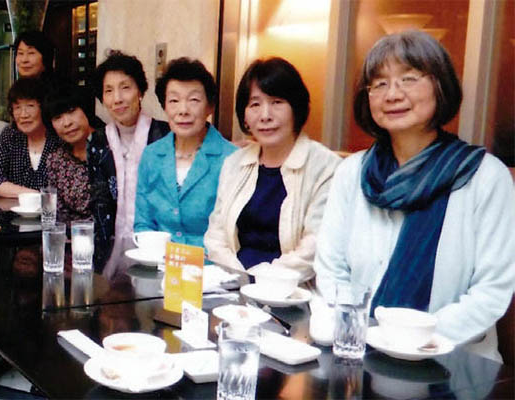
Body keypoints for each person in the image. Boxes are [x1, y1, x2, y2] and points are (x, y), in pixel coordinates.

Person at [314, 31, 515, 361]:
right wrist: (360, 330)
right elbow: (331, 268)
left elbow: (492, 290)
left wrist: (409, 339)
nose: (392, 94)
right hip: (359, 350)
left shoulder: (485, 176)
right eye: (379, 84)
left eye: (408, 79)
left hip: (453, 361)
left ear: (440, 86)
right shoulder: (352, 172)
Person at [204, 58, 341, 280]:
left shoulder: (326, 167)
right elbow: (216, 235)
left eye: (277, 102)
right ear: (245, 116)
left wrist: (259, 280)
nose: (265, 115)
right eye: (255, 105)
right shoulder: (233, 163)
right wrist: (238, 277)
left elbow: (314, 245)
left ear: (296, 108)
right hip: (232, 283)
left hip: (293, 289)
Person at [134, 58, 237, 247]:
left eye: (194, 100)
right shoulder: (151, 156)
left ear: (210, 107)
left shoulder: (231, 159)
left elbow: (233, 233)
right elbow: (143, 223)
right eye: (174, 101)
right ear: (164, 106)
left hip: (212, 263)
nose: (183, 110)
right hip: (159, 261)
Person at [88, 50, 170, 244]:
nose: (117, 99)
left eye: (125, 87)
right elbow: (99, 203)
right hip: (111, 246)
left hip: (159, 243)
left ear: (140, 91)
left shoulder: (164, 135)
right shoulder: (98, 141)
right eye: (108, 91)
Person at [0, 78, 60, 197]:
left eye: (30, 106)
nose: (23, 115)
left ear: (43, 108)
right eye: (17, 107)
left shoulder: (58, 138)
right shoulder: (10, 136)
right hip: (15, 208)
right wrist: (35, 196)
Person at [43, 85, 94, 222]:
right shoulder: (56, 160)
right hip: (69, 233)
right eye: (57, 117)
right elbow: (54, 212)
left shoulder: (110, 149)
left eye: (71, 111)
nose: (66, 123)